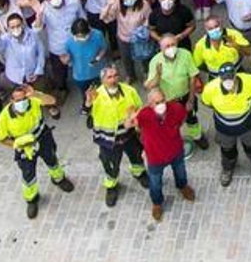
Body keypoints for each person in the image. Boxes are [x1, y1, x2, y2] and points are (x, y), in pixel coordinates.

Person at [0, 84, 74, 219]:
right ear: (11, 101)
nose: (23, 102)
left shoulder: (33, 101)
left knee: (52, 160)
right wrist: (16, 145)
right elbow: (0, 138)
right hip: (25, 148)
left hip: (43, 138)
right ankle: (32, 199)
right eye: (18, 100)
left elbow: (52, 100)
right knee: (28, 174)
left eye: (24, 98)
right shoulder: (4, 118)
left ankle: (59, 179)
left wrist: (35, 93)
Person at [86, 65, 147, 206]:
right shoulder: (96, 95)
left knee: (137, 157)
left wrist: (136, 122)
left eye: (115, 76)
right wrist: (88, 103)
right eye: (109, 77)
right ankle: (111, 186)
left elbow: (139, 108)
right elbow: (85, 114)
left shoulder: (129, 90)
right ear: (102, 80)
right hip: (108, 141)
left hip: (129, 135)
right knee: (111, 165)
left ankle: (139, 173)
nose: (113, 80)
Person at [199, 63, 251, 186]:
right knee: (227, 149)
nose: (228, 82)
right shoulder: (210, 89)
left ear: (236, 75)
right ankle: (228, 168)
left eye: (231, 77)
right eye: (224, 79)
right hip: (224, 129)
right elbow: (207, 103)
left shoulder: (250, 81)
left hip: (247, 126)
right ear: (220, 78)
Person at [133, 87, 195, 221]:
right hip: (155, 157)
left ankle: (183, 186)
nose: (161, 104)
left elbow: (182, 118)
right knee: (155, 182)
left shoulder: (176, 108)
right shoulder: (144, 115)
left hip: (175, 150)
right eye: (157, 103)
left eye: (162, 101)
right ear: (150, 104)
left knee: (181, 172)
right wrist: (131, 116)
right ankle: (157, 203)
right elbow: (130, 125)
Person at [145, 34, 206, 152]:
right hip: (168, 101)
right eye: (167, 46)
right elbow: (151, 85)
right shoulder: (155, 61)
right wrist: (158, 75)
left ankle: (198, 137)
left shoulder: (185, 55)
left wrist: (191, 100)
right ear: (161, 48)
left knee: (192, 119)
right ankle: (175, 142)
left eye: (173, 44)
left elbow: (192, 77)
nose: (170, 48)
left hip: (186, 96)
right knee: (171, 124)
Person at [33, 0, 86, 112]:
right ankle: (62, 90)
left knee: (82, 68)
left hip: (76, 43)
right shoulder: (44, 9)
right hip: (57, 47)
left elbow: (83, 18)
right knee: (59, 75)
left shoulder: (74, 1)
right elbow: (37, 29)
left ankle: (86, 89)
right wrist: (39, 17)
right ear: (46, 1)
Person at [103, 0, 154, 80]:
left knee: (145, 57)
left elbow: (150, 18)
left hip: (140, 38)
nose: (128, 0)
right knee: (126, 59)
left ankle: (147, 73)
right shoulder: (118, 4)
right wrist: (109, 5)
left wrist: (143, 28)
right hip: (124, 38)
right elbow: (105, 18)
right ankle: (131, 76)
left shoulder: (144, 4)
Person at [65, 18, 108, 116]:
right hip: (80, 74)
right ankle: (87, 106)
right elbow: (67, 56)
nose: (81, 38)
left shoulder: (97, 35)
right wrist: (66, 59)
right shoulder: (69, 41)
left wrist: (98, 58)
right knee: (85, 93)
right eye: (78, 36)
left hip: (98, 71)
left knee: (101, 91)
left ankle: (103, 106)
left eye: (83, 36)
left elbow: (103, 48)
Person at [0, 11, 46, 91]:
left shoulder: (33, 35)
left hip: (32, 75)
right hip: (14, 77)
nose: (16, 29)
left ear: (23, 24)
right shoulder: (6, 39)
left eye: (18, 25)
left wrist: (38, 71)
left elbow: (40, 53)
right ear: (8, 28)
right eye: (12, 27)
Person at [193, 17, 251, 83]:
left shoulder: (233, 35)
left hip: (237, 72)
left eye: (216, 26)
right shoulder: (200, 45)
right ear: (206, 30)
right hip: (216, 78)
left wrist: (237, 46)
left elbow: (248, 52)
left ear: (221, 25)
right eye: (210, 28)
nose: (214, 30)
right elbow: (199, 65)